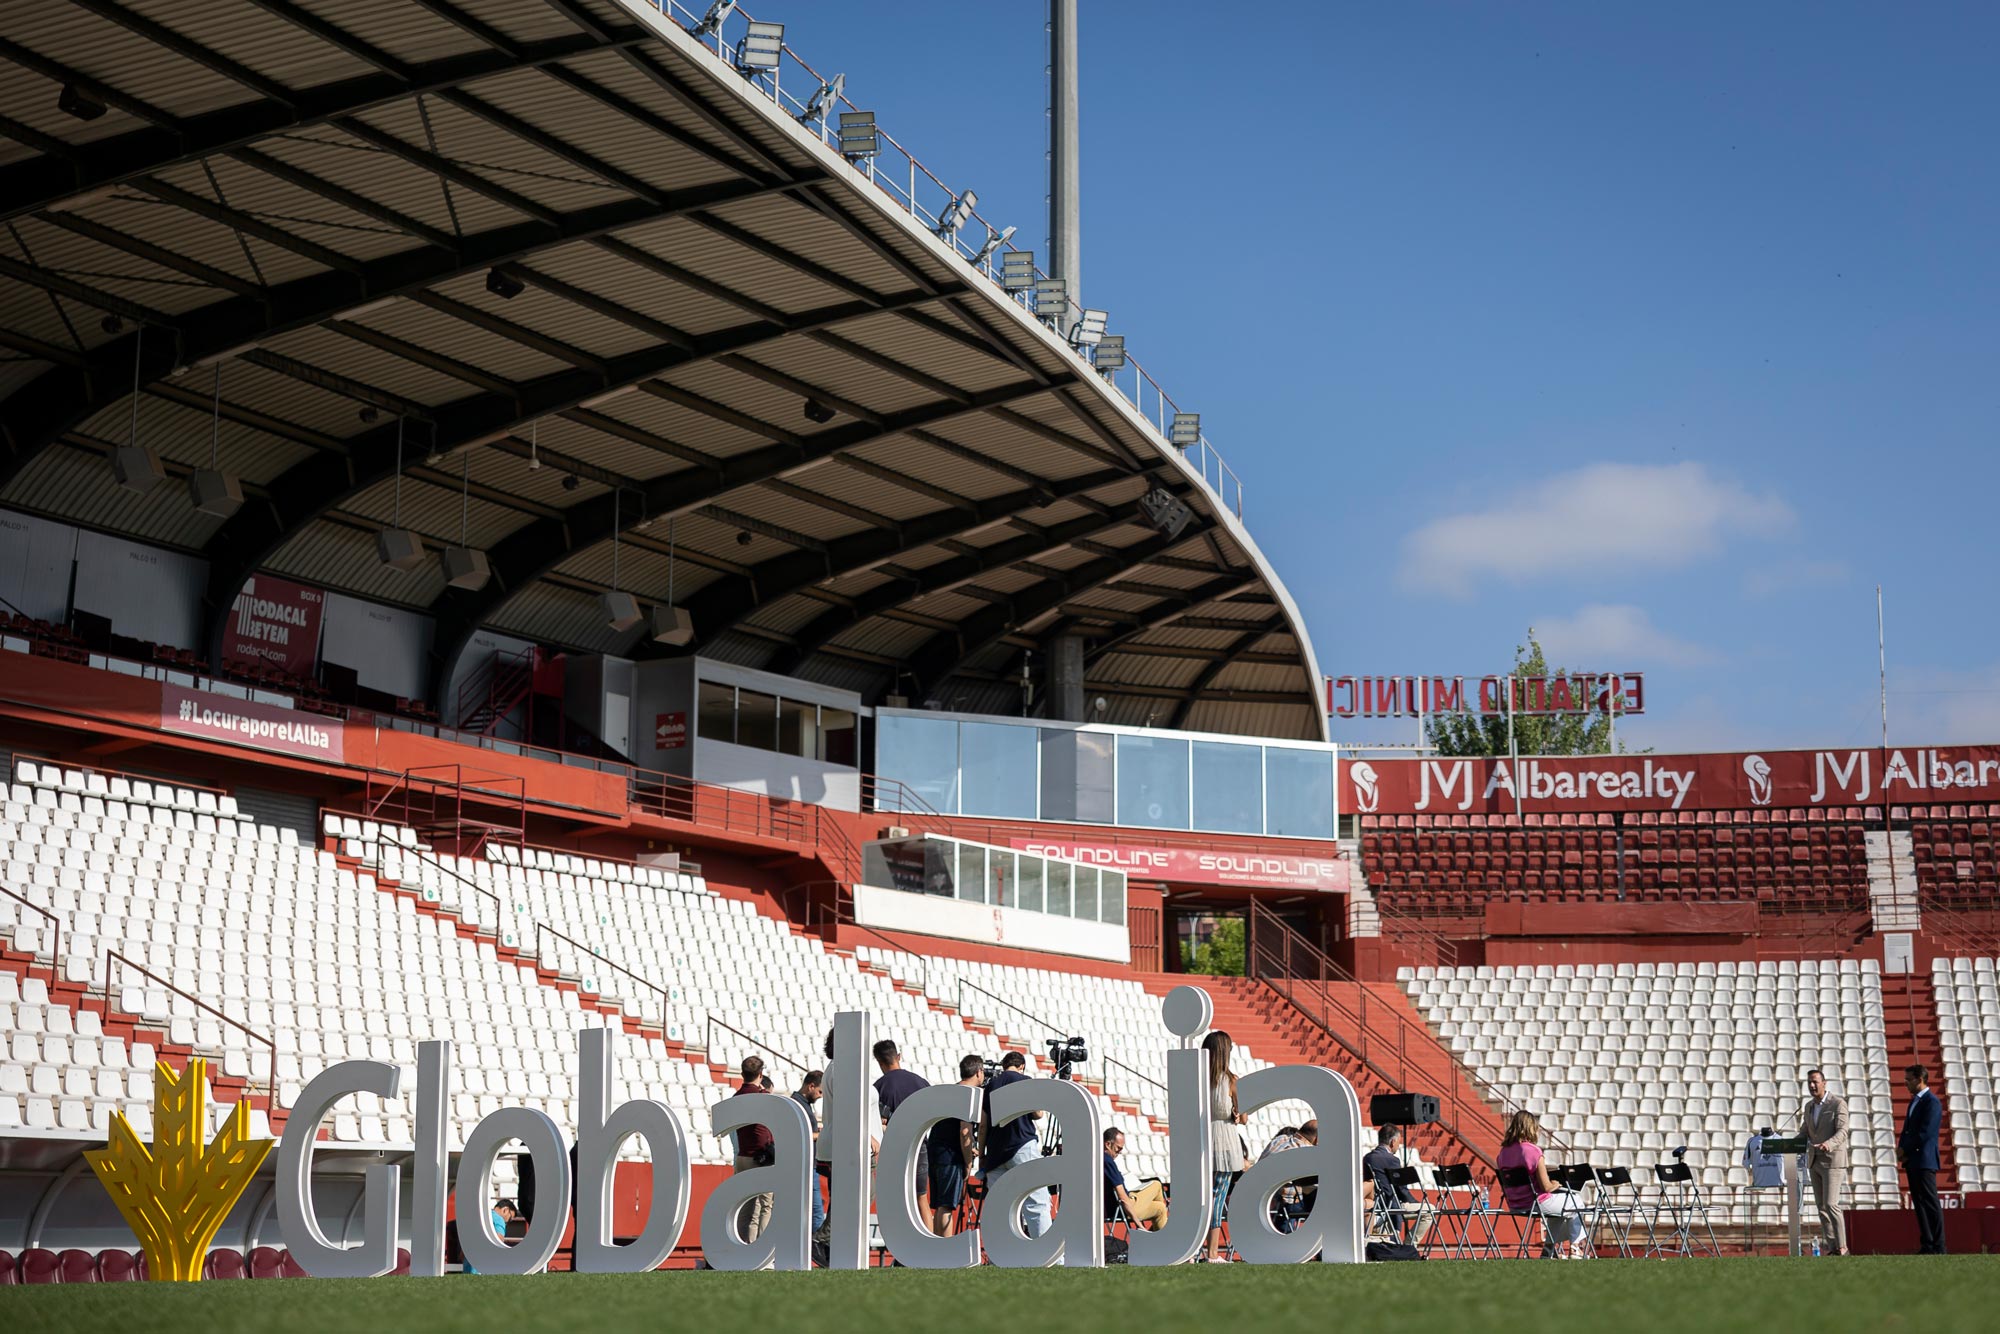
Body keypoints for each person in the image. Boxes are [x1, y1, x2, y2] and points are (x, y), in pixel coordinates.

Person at [1496, 1110, 1586, 1259]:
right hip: (1536, 1202)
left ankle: (1549, 1249)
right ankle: (1576, 1247)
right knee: (1576, 1201)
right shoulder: (1533, 1151)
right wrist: (1555, 1184)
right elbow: (1546, 1187)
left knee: (1558, 1214)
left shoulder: (1503, 1153)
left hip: (1516, 1204)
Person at [979, 1051, 1049, 1237]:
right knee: (1036, 1201)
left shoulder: (991, 1085)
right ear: (1022, 1066)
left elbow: (983, 1124)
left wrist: (982, 1155)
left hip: (995, 1151)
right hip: (1021, 1145)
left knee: (999, 1209)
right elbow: (1038, 1113)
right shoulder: (1025, 1080)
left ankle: (999, 1257)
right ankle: (1048, 1258)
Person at [873, 1040, 932, 1224]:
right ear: (898, 1056)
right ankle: (928, 1249)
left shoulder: (878, 1087)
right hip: (920, 1145)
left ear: (879, 1062)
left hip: (894, 1150)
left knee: (897, 1202)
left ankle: (899, 1249)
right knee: (922, 1199)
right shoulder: (921, 1082)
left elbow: (879, 1123)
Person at [1202, 1030, 1247, 1262]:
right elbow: (1244, 1116)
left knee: (1202, 1196)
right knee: (1218, 1197)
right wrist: (1238, 1115)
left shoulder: (1197, 1079)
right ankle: (1212, 1252)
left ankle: (1197, 1248)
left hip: (1202, 1140)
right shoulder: (1231, 1081)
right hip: (1225, 1141)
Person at [929, 1055, 983, 1236]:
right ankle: (944, 1252)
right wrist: (968, 1162)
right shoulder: (967, 1095)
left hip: (936, 1151)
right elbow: (964, 1131)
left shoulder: (950, 1092)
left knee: (939, 1206)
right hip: (950, 1156)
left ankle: (937, 1250)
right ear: (979, 1072)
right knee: (946, 1206)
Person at [1799, 1068, 1850, 1255]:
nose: (1812, 1085)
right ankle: (1833, 1246)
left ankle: (1843, 1247)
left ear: (1824, 1082)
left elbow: (1843, 1131)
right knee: (1821, 1207)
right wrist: (1786, 1142)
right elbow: (1805, 1132)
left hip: (1832, 1160)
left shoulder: (1838, 1103)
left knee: (1831, 1204)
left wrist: (1829, 1144)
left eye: (1815, 1082)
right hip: (1814, 1161)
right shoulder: (1808, 1107)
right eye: (1809, 1082)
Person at [1899, 1063, 1945, 1254]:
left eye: (1909, 1080)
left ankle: (1939, 1245)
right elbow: (1908, 1129)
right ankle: (1927, 1244)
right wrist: (1901, 1148)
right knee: (1919, 1203)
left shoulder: (1932, 1102)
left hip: (1924, 1160)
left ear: (1920, 1079)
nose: (1906, 1084)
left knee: (1931, 1203)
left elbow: (1926, 1133)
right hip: (1913, 1160)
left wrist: (1906, 1148)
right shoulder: (1914, 1101)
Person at [1363, 1125, 1432, 1247]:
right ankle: (1409, 1246)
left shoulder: (1367, 1158)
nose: (1398, 1146)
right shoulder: (1392, 1160)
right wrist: (1413, 1202)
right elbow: (1401, 1189)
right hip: (1390, 1205)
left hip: (1375, 1205)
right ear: (1393, 1141)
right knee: (1429, 1210)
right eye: (1398, 1142)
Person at [731, 1055, 775, 1243]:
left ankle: (743, 1245)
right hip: (760, 1156)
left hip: (742, 1155)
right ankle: (761, 1247)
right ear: (760, 1073)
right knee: (766, 1205)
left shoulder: (735, 1098)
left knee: (745, 1205)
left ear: (742, 1073)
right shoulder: (763, 1097)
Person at [1103, 1128, 1168, 1231]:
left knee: (1161, 1208)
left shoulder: (1099, 1159)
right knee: (1156, 1184)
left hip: (1116, 1207)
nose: (1120, 1152)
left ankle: (1152, 1240)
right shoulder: (1107, 1161)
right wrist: (1139, 1224)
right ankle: (1159, 1241)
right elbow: (1122, 1197)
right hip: (1123, 1208)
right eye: (1118, 1148)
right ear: (1108, 1144)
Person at [1259, 1122, 1318, 1232]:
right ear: (1317, 1139)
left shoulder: (1280, 1139)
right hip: (1285, 1202)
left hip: (1261, 1196)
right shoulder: (1307, 1151)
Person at [792, 1070, 825, 1236]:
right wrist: (822, 1134)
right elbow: (799, 1134)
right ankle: (817, 1252)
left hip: (809, 1164)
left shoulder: (803, 1105)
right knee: (816, 1212)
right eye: (819, 1092)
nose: (820, 1096)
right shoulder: (798, 1105)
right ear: (811, 1086)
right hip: (805, 1166)